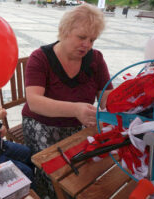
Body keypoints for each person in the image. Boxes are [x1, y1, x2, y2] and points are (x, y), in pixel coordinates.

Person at [22, 3, 113, 155]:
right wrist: (76, 110)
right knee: (56, 169)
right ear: (64, 32)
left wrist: (121, 104)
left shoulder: (96, 58)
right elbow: (34, 102)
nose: (87, 45)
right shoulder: (40, 58)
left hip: (81, 126)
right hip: (43, 124)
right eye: (82, 37)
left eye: (92, 40)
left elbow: (106, 97)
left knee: (93, 163)